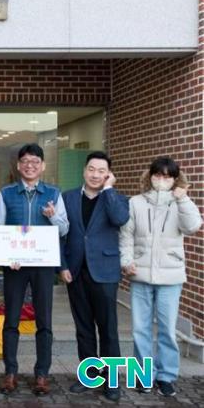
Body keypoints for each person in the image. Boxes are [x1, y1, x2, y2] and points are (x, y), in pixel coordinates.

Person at [120, 157, 202, 397]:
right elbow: (126, 235)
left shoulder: (181, 203)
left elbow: (193, 226)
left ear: (175, 179)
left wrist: (183, 198)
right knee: (140, 329)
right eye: (157, 175)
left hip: (171, 277)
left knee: (167, 329)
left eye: (167, 176)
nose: (161, 180)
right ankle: (143, 376)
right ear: (150, 176)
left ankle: (166, 376)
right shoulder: (135, 202)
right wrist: (126, 261)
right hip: (140, 274)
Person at [0, 143, 69, 396]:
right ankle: (10, 373)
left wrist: (53, 216)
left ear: (42, 166)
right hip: (15, 266)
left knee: (44, 321)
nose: (30, 166)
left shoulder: (53, 194)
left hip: (43, 266)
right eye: (25, 161)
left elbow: (64, 229)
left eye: (35, 162)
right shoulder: (6, 193)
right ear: (18, 165)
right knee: (11, 319)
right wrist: (5, 257)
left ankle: (42, 374)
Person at [59, 151, 129, 402]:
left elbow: (120, 219)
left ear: (109, 174)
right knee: (84, 327)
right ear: (84, 170)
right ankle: (90, 376)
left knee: (108, 328)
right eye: (91, 169)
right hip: (76, 271)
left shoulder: (118, 199)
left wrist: (109, 190)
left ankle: (112, 380)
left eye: (101, 171)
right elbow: (60, 235)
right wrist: (62, 265)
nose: (95, 174)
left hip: (105, 272)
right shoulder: (67, 198)